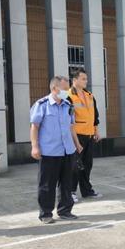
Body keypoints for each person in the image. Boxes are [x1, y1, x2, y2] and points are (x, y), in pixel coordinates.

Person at [30, 76, 83, 224]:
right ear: (54, 88)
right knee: (47, 184)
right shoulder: (42, 105)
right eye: (65, 89)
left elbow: (71, 127)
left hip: (67, 151)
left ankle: (65, 210)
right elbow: (35, 127)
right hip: (49, 152)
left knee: (67, 183)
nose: (67, 92)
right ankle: (46, 213)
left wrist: (77, 144)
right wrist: (35, 146)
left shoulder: (68, 105)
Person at [68, 68, 102, 200]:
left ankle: (87, 191)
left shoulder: (90, 96)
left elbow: (95, 116)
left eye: (86, 79)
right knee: (75, 165)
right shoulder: (66, 95)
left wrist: (96, 131)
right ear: (74, 80)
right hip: (75, 136)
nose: (86, 81)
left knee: (87, 164)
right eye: (83, 79)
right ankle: (70, 192)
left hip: (89, 135)